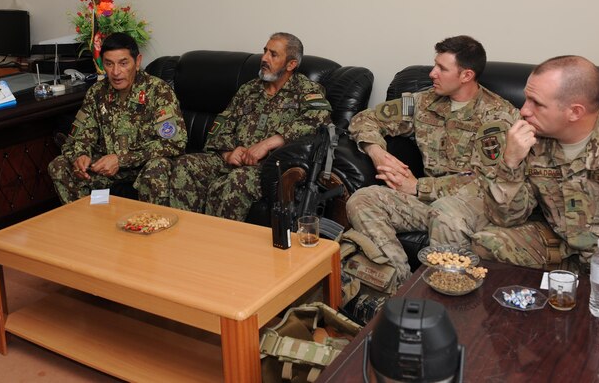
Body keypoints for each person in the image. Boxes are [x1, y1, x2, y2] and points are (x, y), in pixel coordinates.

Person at [473, 55, 599, 340]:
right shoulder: (530, 139)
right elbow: (504, 217)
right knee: (487, 243)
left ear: (574, 111)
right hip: (563, 249)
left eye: (536, 103)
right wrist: (510, 163)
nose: (523, 110)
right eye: (526, 99)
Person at [345, 35, 519, 293]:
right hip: (426, 202)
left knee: (446, 215)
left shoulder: (498, 117)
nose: (432, 73)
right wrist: (377, 152)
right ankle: (401, 287)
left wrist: (418, 187)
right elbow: (365, 118)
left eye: (442, 68)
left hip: (471, 208)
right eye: (434, 65)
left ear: (466, 75)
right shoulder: (420, 101)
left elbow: (486, 181)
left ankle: (442, 299)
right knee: (362, 200)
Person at [167, 32, 332, 221]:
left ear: (291, 64)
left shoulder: (306, 90)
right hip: (232, 159)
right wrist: (227, 152)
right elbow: (222, 124)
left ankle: (218, 244)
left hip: (267, 168)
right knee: (184, 165)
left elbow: (320, 119)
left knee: (237, 180)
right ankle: (186, 235)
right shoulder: (249, 89)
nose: (264, 58)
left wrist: (269, 143)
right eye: (265, 51)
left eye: (273, 54)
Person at [48, 32, 187, 204]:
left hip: (142, 169)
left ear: (137, 62)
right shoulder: (97, 92)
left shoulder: (158, 91)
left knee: (157, 168)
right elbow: (79, 138)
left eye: (123, 63)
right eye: (109, 64)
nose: (115, 72)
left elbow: (174, 143)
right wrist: (80, 156)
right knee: (59, 165)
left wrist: (121, 160)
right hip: (105, 170)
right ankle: (86, 225)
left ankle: (151, 225)